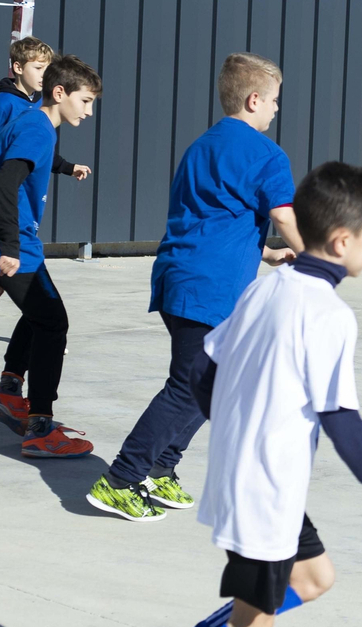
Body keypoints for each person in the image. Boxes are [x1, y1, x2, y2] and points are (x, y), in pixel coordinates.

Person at [86, 161, 362, 627]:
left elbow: (203, 372)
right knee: (254, 626)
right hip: (267, 489)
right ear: (343, 242)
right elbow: (340, 419)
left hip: (261, 477)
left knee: (314, 580)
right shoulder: (330, 316)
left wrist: (238, 434)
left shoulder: (269, 285)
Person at [86, 53, 303, 522]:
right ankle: (121, 479)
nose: (276, 110)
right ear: (253, 100)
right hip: (211, 289)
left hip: (179, 277)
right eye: (274, 101)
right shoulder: (268, 155)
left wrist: (265, 253)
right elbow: (284, 215)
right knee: (189, 387)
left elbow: (211, 213)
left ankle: (162, 467)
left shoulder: (202, 146)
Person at [0, 54, 101, 459]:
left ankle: (8, 393)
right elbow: (5, 182)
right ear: (60, 93)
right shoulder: (37, 127)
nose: (88, 111)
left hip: (0, 237)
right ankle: (40, 426)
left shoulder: (32, 123)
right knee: (54, 322)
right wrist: (6, 249)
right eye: (85, 101)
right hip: (12, 239)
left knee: (40, 315)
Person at [0, 36, 91, 356]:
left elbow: (38, 155)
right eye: (38, 68)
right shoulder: (4, 103)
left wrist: (67, 166)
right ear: (18, 68)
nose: (44, 74)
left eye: (48, 68)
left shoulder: (38, 107)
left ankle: (43, 332)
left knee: (18, 274)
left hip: (23, 206)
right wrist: (2, 161)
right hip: (1, 200)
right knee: (0, 259)